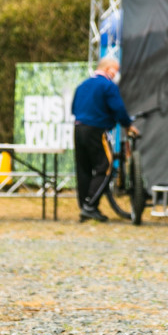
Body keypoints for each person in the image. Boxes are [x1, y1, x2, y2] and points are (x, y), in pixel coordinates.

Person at [71, 57, 135, 222]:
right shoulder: (108, 86)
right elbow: (119, 109)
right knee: (105, 167)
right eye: (116, 69)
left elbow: (73, 108)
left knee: (83, 169)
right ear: (108, 69)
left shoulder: (82, 85)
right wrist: (128, 125)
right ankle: (90, 206)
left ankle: (84, 205)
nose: (116, 73)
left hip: (78, 129)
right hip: (96, 130)